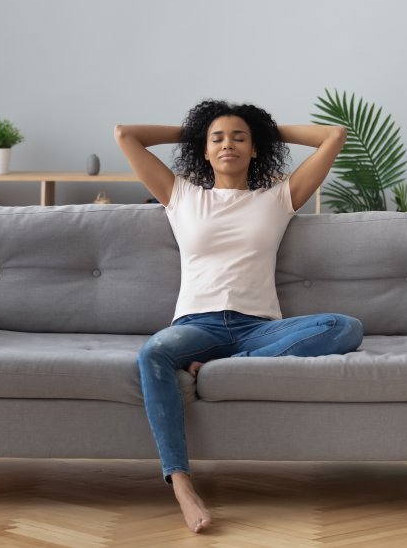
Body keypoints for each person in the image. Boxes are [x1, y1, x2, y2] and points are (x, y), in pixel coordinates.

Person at [113, 100, 364, 533]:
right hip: (197, 326)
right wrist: (196, 129)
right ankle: (182, 484)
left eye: (239, 137)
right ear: (204, 151)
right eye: (218, 138)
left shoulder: (278, 197)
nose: (228, 143)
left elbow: (334, 136)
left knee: (344, 327)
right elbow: (125, 134)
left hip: (260, 329)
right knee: (153, 354)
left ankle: (226, 364)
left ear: (254, 150)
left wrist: (262, 128)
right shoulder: (181, 195)